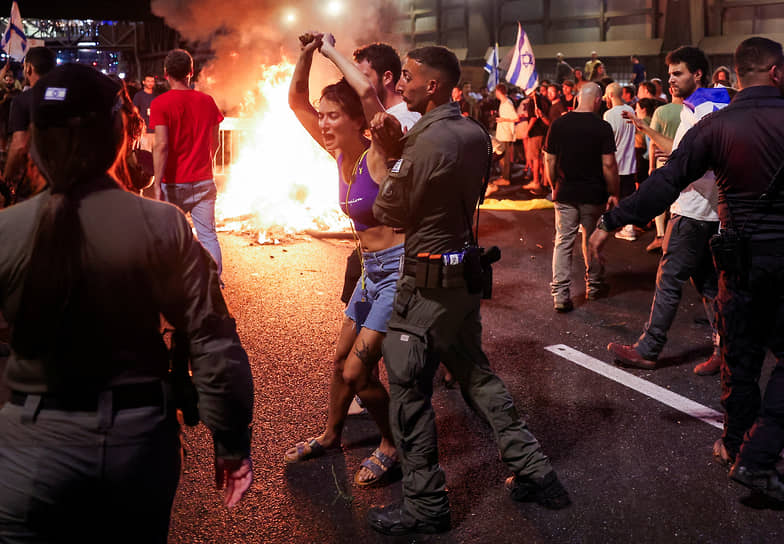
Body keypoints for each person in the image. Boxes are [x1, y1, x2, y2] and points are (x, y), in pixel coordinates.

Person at [0, 63, 253, 542]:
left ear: (33, 141)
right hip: (136, 445)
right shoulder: (164, 226)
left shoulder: (7, 232)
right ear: (118, 134)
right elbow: (213, 345)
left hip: (31, 448)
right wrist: (231, 443)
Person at [366, 45, 570, 537]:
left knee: (408, 387)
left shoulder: (425, 140)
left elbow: (388, 210)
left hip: (425, 282)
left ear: (432, 86)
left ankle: (426, 505)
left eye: (410, 78)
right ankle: (536, 470)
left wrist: (383, 152)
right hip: (461, 277)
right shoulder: (474, 133)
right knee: (477, 374)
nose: (402, 86)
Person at [590, 37, 784, 503]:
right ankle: (757, 457)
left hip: (736, 262)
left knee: (741, 360)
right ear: (776, 72)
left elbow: (664, 182)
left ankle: (735, 446)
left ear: (737, 74)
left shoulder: (715, 126)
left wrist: (610, 222)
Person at [286, 32, 402, 487]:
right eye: (325, 115)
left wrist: (332, 51)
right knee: (340, 360)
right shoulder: (339, 153)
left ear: (357, 122)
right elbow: (296, 102)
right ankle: (332, 434)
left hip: (397, 271)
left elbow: (370, 96)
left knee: (356, 370)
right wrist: (305, 54)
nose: (325, 122)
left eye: (334, 115)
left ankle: (393, 443)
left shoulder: (380, 153)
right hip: (369, 273)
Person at [607, 46, 730, 376]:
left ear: (698, 74)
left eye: (678, 74)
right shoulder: (709, 105)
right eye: (671, 74)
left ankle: (649, 348)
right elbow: (683, 154)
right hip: (709, 210)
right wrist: (644, 128)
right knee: (706, 282)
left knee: (669, 278)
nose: (671, 80)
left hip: (692, 209)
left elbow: (697, 161)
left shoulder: (702, 110)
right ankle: (725, 350)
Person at [545, 83, 619, 312]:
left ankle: (560, 294)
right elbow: (608, 164)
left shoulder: (558, 124)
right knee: (591, 240)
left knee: (563, 241)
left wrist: (553, 184)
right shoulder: (602, 127)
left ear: (578, 98)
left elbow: (549, 160)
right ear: (598, 100)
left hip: (566, 192)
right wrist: (614, 192)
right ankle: (594, 286)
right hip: (593, 194)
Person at [151, 49, 225, 281]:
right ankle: (213, 286)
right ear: (190, 73)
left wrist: (156, 184)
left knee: (169, 237)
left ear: (165, 74)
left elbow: (161, 145)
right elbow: (215, 142)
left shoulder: (160, 103)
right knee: (208, 237)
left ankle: (173, 287)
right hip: (203, 181)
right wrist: (206, 165)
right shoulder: (207, 101)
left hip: (172, 183)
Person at [1, 47, 55, 203]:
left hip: (37, 182)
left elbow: (19, 146)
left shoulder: (23, 100)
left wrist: (6, 181)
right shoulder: (69, 96)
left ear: (29, 68)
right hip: (70, 178)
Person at [602, 82, 637, 241]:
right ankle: (629, 228)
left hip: (615, 164)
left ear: (610, 95)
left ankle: (607, 223)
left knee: (611, 194)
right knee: (628, 196)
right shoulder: (630, 110)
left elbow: (607, 141)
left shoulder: (609, 115)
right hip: (630, 162)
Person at [493, 82, 516, 185]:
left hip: (506, 134)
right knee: (502, 156)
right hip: (502, 133)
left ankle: (506, 178)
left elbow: (516, 118)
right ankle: (504, 176)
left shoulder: (507, 103)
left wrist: (503, 119)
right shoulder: (503, 103)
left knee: (505, 157)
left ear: (499, 91)